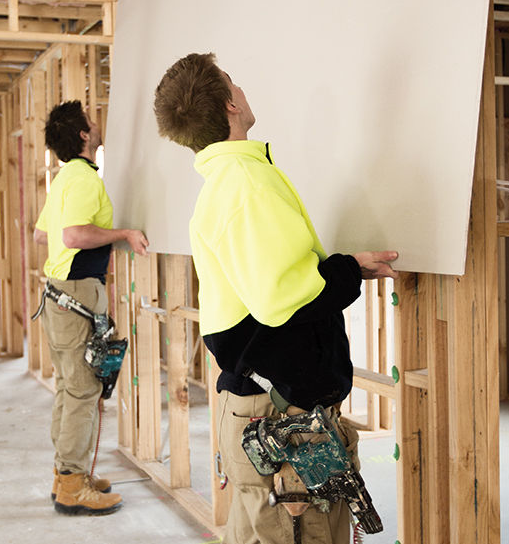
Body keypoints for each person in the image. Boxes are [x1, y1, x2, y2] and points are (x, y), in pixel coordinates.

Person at [153, 53, 398, 544]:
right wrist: (347, 269)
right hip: (281, 417)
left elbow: (274, 286)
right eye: (233, 82)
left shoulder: (228, 182)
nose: (242, 89)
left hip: (262, 408)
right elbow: (285, 300)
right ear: (229, 104)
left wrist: (345, 270)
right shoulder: (245, 184)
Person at [33, 100, 149, 516]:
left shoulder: (65, 179)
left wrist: (99, 236)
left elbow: (41, 235)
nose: (98, 124)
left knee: (70, 386)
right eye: (91, 121)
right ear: (83, 135)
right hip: (78, 293)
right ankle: (72, 485)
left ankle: (68, 474)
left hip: (60, 294)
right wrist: (123, 233)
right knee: (83, 391)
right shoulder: (83, 179)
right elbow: (73, 235)